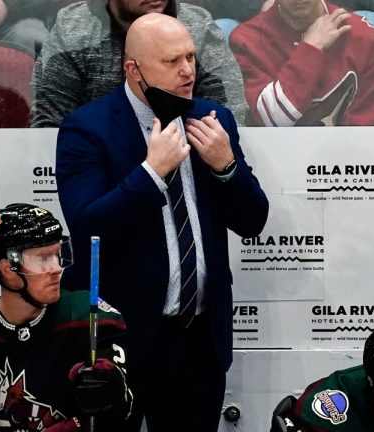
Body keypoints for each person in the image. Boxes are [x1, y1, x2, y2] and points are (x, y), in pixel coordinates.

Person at [55, 13, 269, 431]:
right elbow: (87, 227)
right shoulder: (87, 128)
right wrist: (151, 174)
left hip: (199, 339)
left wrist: (227, 167)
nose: (188, 70)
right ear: (133, 69)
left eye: (190, 57)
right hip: (121, 342)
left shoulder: (213, 120)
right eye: (173, 61)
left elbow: (252, 221)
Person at [0, 203, 132, 431]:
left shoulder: (89, 319)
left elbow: (120, 410)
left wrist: (112, 391)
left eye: (57, 254)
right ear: (8, 269)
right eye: (42, 259)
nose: (57, 268)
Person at [31, 0, 249, 128]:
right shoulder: (73, 28)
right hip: (97, 163)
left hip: (186, 161)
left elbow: (228, 114)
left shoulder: (198, 25)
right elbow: (49, 123)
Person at [229, 0, 374, 126]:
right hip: (276, 158)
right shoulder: (246, 40)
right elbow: (272, 121)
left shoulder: (364, 36)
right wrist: (311, 48)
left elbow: (366, 129)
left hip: (346, 160)